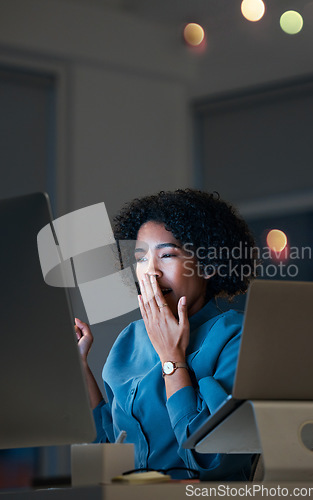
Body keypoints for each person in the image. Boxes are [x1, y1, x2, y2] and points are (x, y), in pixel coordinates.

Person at [75, 189, 257, 481]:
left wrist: (172, 358)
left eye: (167, 255)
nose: (150, 272)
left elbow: (214, 462)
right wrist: (79, 366)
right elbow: (108, 454)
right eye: (140, 259)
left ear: (208, 264)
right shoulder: (129, 340)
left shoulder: (236, 336)